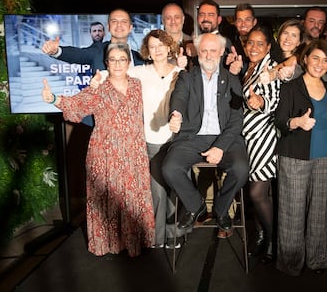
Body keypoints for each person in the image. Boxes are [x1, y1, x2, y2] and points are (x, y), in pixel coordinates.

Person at [41, 43, 155, 257]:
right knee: (108, 200)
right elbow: (76, 106)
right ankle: (108, 244)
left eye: (122, 59)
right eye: (113, 59)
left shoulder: (139, 85)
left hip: (133, 152)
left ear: (129, 63)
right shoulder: (99, 89)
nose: (118, 63)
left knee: (132, 198)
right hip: (105, 152)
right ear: (106, 63)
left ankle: (134, 242)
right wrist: (54, 99)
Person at [91, 29, 185, 249]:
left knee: (176, 190)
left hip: (178, 141)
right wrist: (98, 79)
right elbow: (117, 73)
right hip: (151, 140)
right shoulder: (141, 72)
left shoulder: (180, 73)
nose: (158, 49)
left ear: (169, 47)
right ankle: (157, 238)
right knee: (157, 191)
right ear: (148, 51)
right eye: (153, 46)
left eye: (161, 45)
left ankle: (174, 233)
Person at [162, 33, 249, 235]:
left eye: (213, 50)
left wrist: (220, 146)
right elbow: (179, 98)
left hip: (226, 137)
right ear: (198, 53)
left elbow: (237, 119)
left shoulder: (232, 80)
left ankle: (220, 209)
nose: (208, 55)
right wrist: (176, 114)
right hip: (193, 138)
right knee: (170, 167)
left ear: (221, 52)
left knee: (241, 169)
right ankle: (195, 205)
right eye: (204, 51)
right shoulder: (186, 77)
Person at [274, 39, 327, 276]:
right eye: (315, 58)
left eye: (325, 60)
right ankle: (291, 263)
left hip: (324, 157)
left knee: (320, 211)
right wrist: (297, 122)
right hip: (295, 157)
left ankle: (318, 259)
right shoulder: (291, 87)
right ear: (305, 59)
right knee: (292, 211)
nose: (320, 64)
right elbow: (280, 121)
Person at [240, 23, 282, 263]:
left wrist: (261, 102)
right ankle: (264, 237)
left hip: (263, 136)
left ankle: (274, 238)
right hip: (249, 137)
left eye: (260, 43)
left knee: (258, 192)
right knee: (258, 193)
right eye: (250, 43)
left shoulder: (270, 67)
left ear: (268, 46)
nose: (254, 47)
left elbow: (274, 99)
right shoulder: (251, 67)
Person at [161, 2, 195, 66]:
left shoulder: (194, 44)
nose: (173, 21)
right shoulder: (155, 44)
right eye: (168, 18)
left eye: (176, 17)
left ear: (183, 19)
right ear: (162, 21)